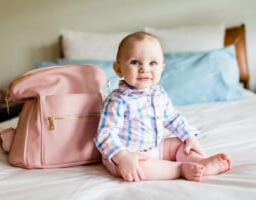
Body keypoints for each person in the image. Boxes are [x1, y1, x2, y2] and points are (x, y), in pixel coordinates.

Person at [94, 31, 231, 182]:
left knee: (180, 143)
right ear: (118, 69)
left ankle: (200, 162)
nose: (144, 69)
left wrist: (188, 137)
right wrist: (122, 156)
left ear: (161, 68)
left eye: (152, 63)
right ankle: (179, 169)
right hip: (127, 157)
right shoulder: (117, 101)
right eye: (135, 62)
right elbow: (105, 135)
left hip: (156, 148)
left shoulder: (158, 93)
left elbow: (173, 118)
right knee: (139, 169)